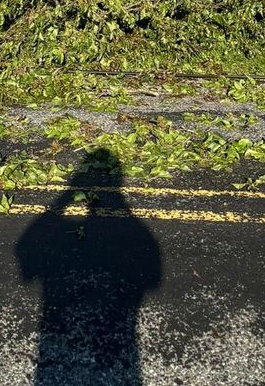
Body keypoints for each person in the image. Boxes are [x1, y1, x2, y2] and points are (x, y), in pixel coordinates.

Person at [16, 150, 162, 385]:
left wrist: (64, 198)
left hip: (56, 324)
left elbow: (25, 260)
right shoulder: (140, 232)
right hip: (121, 335)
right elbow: (154, 280)